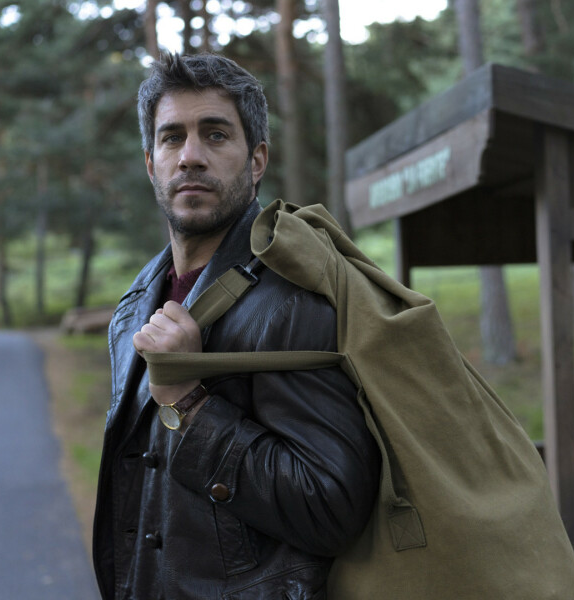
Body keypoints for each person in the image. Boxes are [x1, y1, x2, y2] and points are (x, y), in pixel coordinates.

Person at [92, 53, 380, 600]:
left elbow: (331, 509)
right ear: (151, 162)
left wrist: (190, 403)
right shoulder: (135, 305)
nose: (190, 156)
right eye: (172, 138)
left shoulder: (294, 301)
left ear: (256, 160)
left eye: (216, 135)